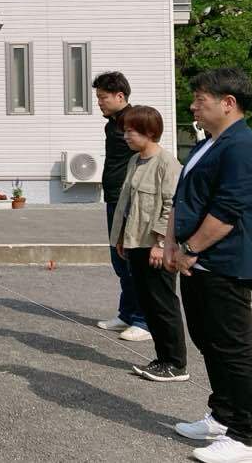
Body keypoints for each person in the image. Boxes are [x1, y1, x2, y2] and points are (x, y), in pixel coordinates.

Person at [167, 68, 252, 463]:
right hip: (196, 260)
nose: (193, 107)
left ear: (228, 103)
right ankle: (221, 416)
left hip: (224, 262)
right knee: (208, 342)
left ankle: (246, 438)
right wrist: (173, 244)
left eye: (200, 99)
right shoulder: (208, 144)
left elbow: (228, 210)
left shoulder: (244, 146)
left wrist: (190, 248)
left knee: (233, 348)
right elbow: (182, 198)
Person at [107, 105, 186, 382]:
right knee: (148, 303)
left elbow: (171, 206)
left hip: (154, 246)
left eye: (131, 131)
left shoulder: (167, 163)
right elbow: (127, 206)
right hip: (135, 242)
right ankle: (162, 358)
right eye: (125, 130)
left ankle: (175, 363)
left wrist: (162, 243)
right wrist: (119, 238)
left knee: (163, 302)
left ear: (149, 132)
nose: (126, 136)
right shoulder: (135, 161)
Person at [92, 71, 150, 342]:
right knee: (119, 260)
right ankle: (127, 314)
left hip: (131, 200)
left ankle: (144, 320)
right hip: (114, 198)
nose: (99, 103)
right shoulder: (111, 124)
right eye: (98, 98)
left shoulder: (134, 120)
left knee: (133, 259)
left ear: (120, 96)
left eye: (103, 97)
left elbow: (147, 156)